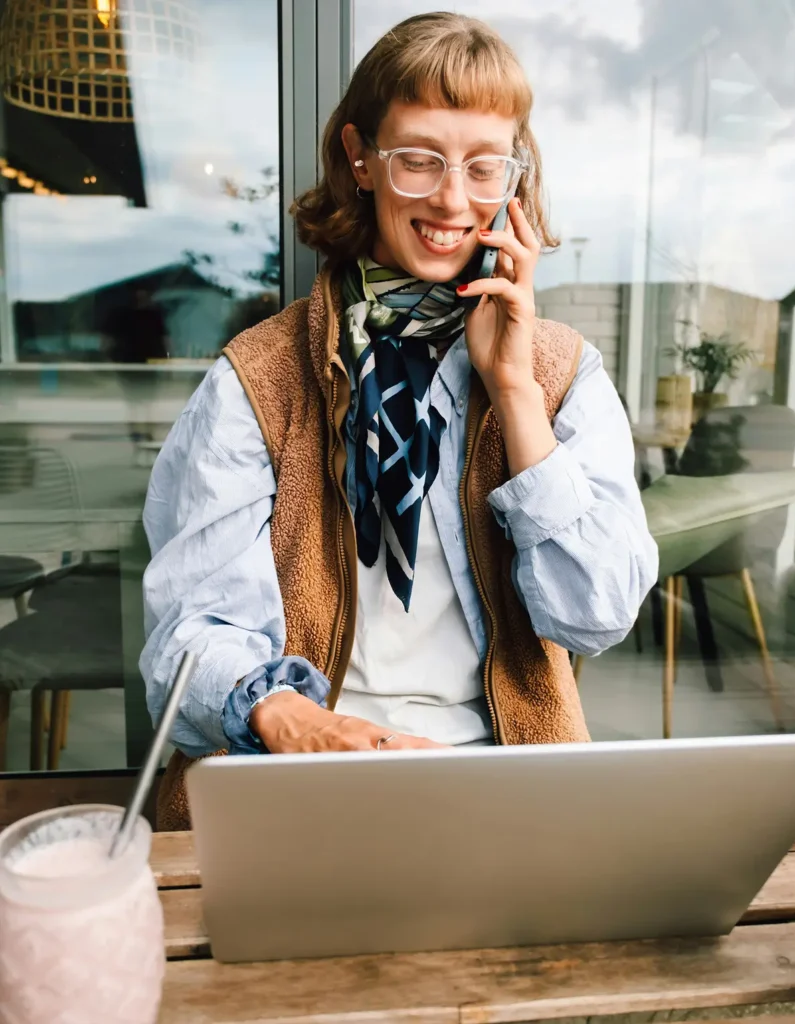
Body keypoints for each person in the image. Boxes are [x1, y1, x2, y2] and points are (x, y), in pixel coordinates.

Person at [141, 12, 658, 830]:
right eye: (419, 160)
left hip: (503, 784)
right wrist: (301, 725)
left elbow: (593, 617)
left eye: (483, 166)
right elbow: (190, 636)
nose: (452, 199)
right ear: (361, 158)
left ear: (513, 178)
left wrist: (514, 391)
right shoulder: (257, 379)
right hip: (301, 780)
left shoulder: (563, 374)